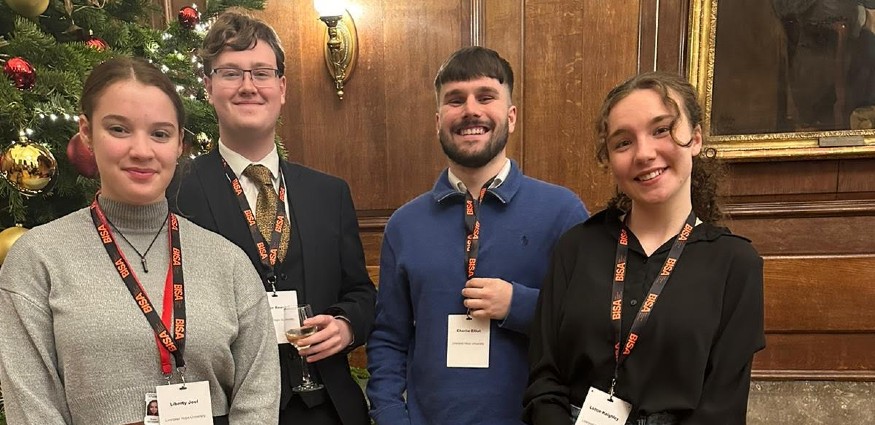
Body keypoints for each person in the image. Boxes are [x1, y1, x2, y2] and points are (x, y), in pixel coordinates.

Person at [0, 57, 279, 424]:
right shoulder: (37, 259)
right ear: (86, 132)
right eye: (119, 129)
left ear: (180, 143)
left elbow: (258, 393)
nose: (142, 151)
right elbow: (31, 403)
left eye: (160, 134)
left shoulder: (228, 262)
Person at [167, 10, 375, 425]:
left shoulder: (329, 192)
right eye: (231, 73)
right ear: (208, 86)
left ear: (282, 87)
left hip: (329, 408)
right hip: (230, 408)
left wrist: (347, 325)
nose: (248, 86)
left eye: (261, 73)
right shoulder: (176, 191)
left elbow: (362, 293)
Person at [523, 72, 765, 424]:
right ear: (608, 158)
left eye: (661, 130)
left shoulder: (735, 264)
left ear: (695, 138)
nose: (644, 153)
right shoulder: (575, 247)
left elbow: (722, 408)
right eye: (623, 142)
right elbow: (544, 381)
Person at [366, 46, 589, 425]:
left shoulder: (562, 211)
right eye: (455, 100)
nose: (471, 110)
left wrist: (517, 305)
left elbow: (590, 326)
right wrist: (390, 416)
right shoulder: (404, 224)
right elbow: (388, 338)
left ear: (511, 116)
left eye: (486, 97)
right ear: (438, 120)